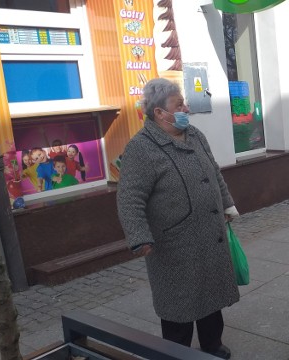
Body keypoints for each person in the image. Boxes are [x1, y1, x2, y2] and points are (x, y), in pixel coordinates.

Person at [117, 78, 240, 360]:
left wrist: (227, 204)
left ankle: (212, 345)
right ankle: (175, 353)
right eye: (179, 103)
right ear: (159, 112)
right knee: (179, 306)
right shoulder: (141, 148)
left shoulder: (194, 134)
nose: (185, 106)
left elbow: (214, 172)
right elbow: (129, 197)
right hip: (173, 244)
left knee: (211, 295)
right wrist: (139, 236)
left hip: (209, 234)